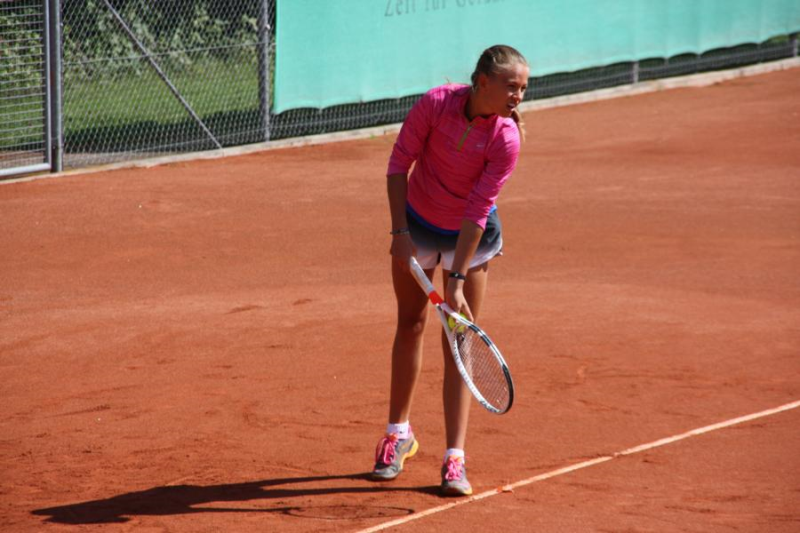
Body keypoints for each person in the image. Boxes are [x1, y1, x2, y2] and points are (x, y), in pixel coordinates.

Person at [371, 45, 529, 496]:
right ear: (482, 82)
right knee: (410, 323)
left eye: (523, 88)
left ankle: (454, 458)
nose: (518, 96)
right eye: (511, 86)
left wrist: (456, 279)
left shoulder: (506, 138)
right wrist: (400, 232)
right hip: (418, 223)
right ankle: (398, 435)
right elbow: (398, 164)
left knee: (459, 340)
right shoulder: (437, 104)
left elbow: (478, 208)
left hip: (468, 238)